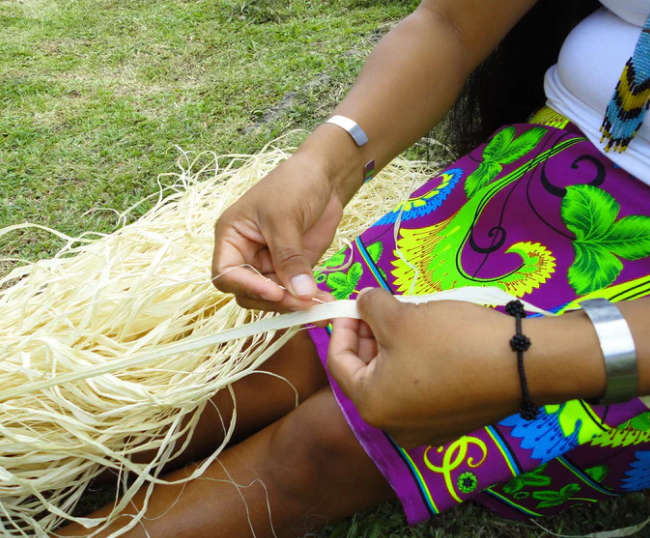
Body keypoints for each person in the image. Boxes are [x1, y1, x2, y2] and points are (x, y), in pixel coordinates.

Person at [57, 0, 650, 536]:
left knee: (324, 444)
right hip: (514, 184)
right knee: (264, 366)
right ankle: (48, 465)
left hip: (626, 327)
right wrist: (326, 164)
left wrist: (531, 357)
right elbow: (451, 22)